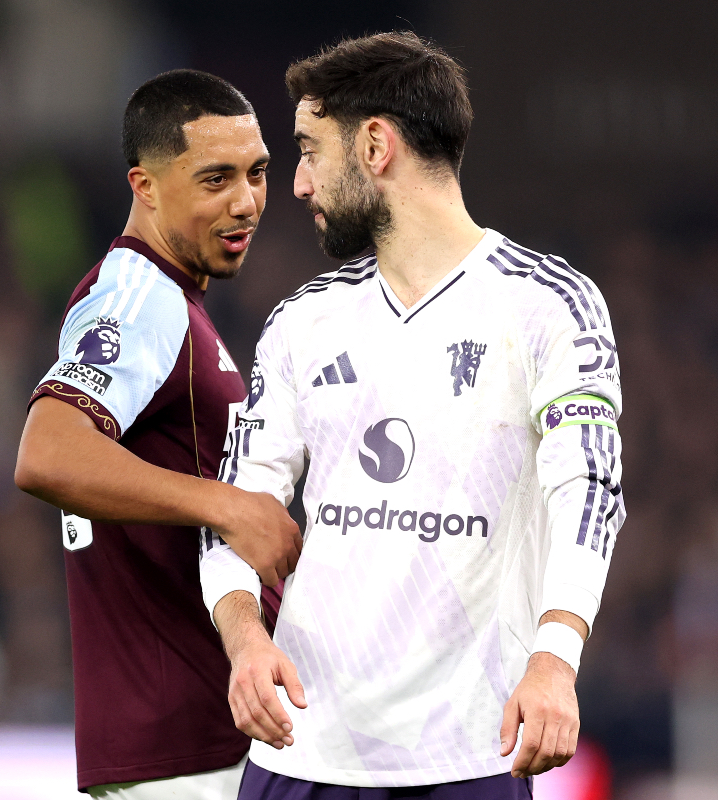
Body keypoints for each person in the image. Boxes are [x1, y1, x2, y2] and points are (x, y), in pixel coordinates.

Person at [198, 32, 625, 799]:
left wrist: (555, 659)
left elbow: (589, 490)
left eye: (309, 151)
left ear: (374, 145)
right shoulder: (302, 321)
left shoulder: (547, 305)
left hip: (466, 755)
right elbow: (234, 510)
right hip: (302, 752)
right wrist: (244, 638)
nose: (295, 185)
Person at [14, 69, 301, 799]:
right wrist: (226, 504)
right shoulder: (139, 297)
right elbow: (47, 449)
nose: (245, 203)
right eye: (215, 180)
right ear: (144, 186)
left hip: (206, 737)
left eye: (257, 174)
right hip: (184, 754)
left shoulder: (177, 303)